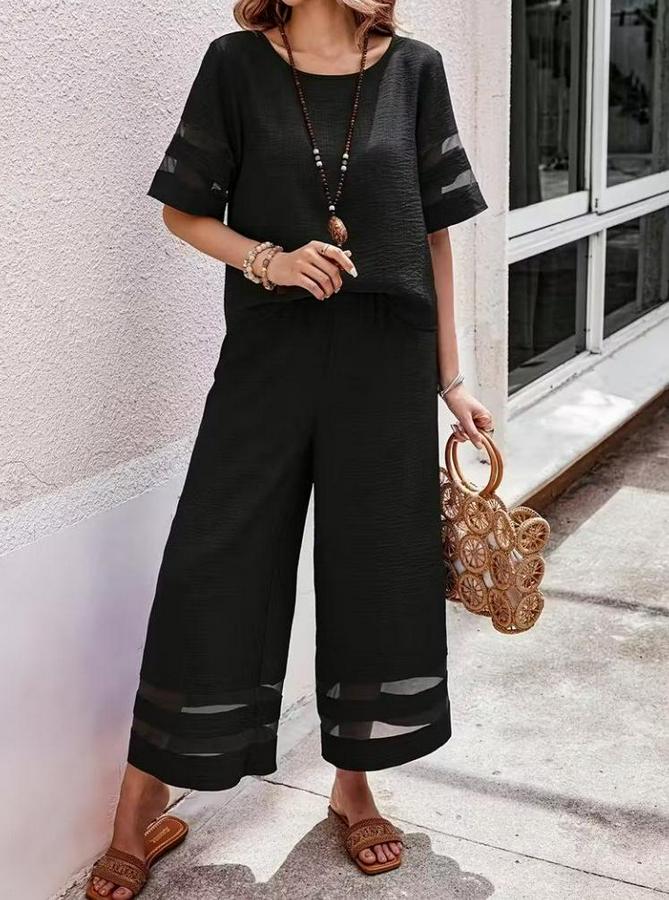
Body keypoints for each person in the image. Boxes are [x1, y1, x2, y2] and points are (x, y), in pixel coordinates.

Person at [87, 0, 492, 896]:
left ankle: (353, 785)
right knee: (212, 566)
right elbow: (184, 214)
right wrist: (267, 259)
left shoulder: (414, 68)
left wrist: (451, 380)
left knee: (375, 573)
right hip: (268, 357)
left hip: (386, 365)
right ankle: (137, 806)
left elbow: (434, 233)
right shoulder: (235, 64)